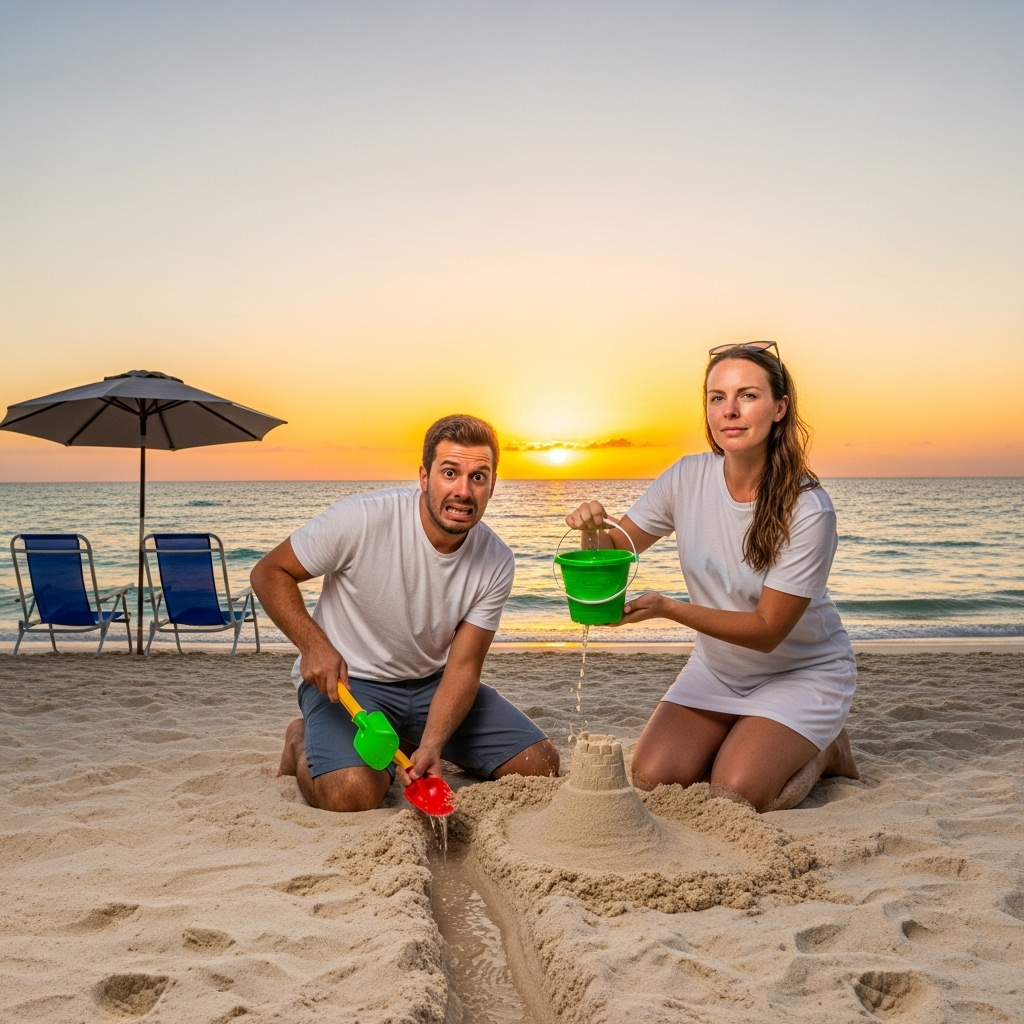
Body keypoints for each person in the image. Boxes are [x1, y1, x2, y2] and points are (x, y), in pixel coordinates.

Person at [564, 341, 859, 812]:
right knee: (652, 779)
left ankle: (826, 750)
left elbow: (767, 631)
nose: (730, 411)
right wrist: (591, 529)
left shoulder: (808, 509)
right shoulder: (687, 477)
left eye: (748, 396)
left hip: (800, 672)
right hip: (719, 669)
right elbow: (615, 549)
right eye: (717, 397)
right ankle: (753, 734)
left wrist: (667, 608)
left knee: (736, 792)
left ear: (779, 408)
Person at [252, 414, 559, 812]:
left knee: (539, 766)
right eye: (450, 473)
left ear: (492, 485)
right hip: (349, 685)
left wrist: (433, 744)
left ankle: (408, 739)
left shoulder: (497, 560)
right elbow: (269, 572)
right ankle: (300, 739)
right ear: (424, 477)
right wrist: (313, 645)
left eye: (478, 477)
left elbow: (464, 668)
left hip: (431, 685)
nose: (463, 491)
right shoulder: (363, 518)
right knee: (353, 793)